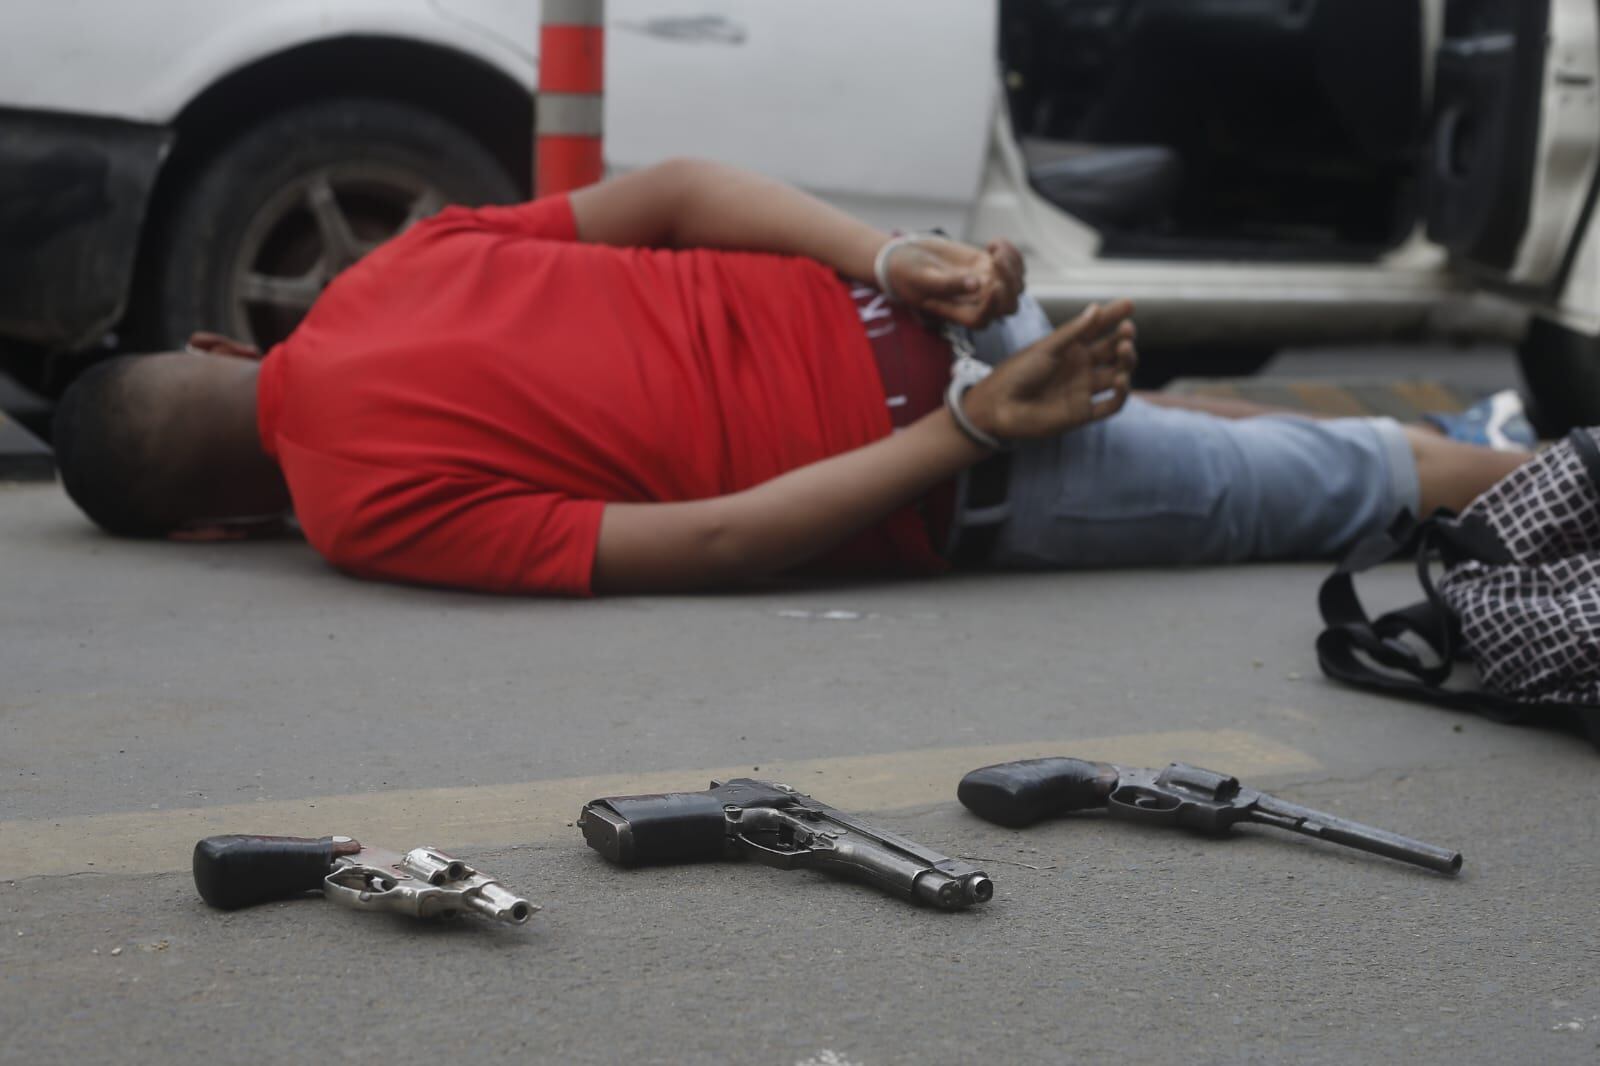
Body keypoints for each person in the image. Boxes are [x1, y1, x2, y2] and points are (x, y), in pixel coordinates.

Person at [52, 158, 1528, 595]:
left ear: (213, 526)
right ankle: (1500, 441)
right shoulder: (381, 276)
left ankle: (1528, 470)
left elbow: (721, 537)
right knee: (1245, 446)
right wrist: (900, 264)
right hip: (919, 314)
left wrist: (970, 429)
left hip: (964, 456)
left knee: (1352, 484)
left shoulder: (364, 518)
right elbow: (683, 191)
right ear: (215, 349)